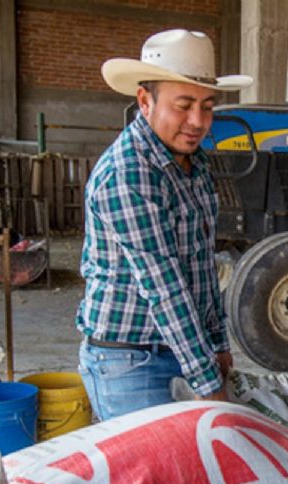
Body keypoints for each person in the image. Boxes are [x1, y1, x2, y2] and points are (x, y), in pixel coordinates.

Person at [76, 29, 252, 421]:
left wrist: (217, 343)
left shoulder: (196, 165)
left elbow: (203, 266)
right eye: (184, 105)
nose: (198, 122)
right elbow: (165, 287)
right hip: (130, 363)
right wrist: (210, 386)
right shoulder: (128, 173)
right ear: (145, 100)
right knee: (158, 476)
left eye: (207, 107)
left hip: (184, 349)